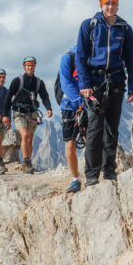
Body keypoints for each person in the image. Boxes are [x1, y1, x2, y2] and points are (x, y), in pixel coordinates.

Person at [75, 0, 133, 187]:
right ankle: (92, 174)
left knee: (112, 129)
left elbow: (131, 59)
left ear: (118, 3)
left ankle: (109, 170)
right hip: (94, 84)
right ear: (101, 4)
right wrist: (84, 84)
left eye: (113, 2)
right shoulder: (89, 25)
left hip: (117, 83)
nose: (110, 6)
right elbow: (81, 56)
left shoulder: (124, 28)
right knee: (94, 128)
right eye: (106, 3)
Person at [3, 56, 53, 174]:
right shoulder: (17, 81)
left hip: (32, 113)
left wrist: (49, 108)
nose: (30, 67)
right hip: (19, 113)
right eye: (28, 65)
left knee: (30, 139)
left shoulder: (39, 82)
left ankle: (28, 163)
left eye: (32, 65)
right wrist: (5, 115)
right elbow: (8, 97)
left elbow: (45, 96)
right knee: (25, 135)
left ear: (35, 66)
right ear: (24, 67)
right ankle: (26, 162)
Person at [57, 46, 83, 193]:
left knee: (91, 139)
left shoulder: (92, 55)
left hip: (86, 104)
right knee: (70, 145)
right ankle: (75, 179)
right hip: (69, 106)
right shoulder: (67, 58)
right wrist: (81, 102)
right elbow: (65, 84)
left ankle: (93, 174)